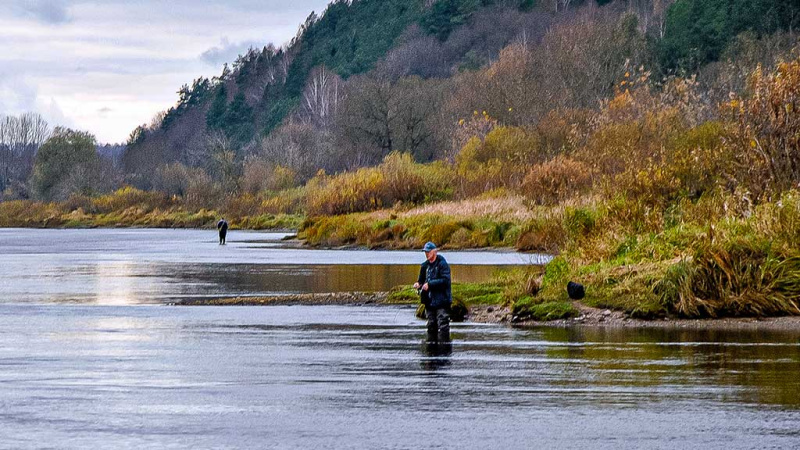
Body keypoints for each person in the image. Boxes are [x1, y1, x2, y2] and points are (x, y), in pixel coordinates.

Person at [414, 241, 452, 343]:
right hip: (429, 301)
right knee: (431, 325)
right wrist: (418, 284)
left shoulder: (442, 264)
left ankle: (444, 350)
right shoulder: (424, 266)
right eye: (425, 252)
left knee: (443, 324)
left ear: (434, 251)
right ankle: (431, 351)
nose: (426, 254)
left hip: (442, 300)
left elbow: (445, 281)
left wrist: (430, 284)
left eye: (428, 251)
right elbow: (421, 280)